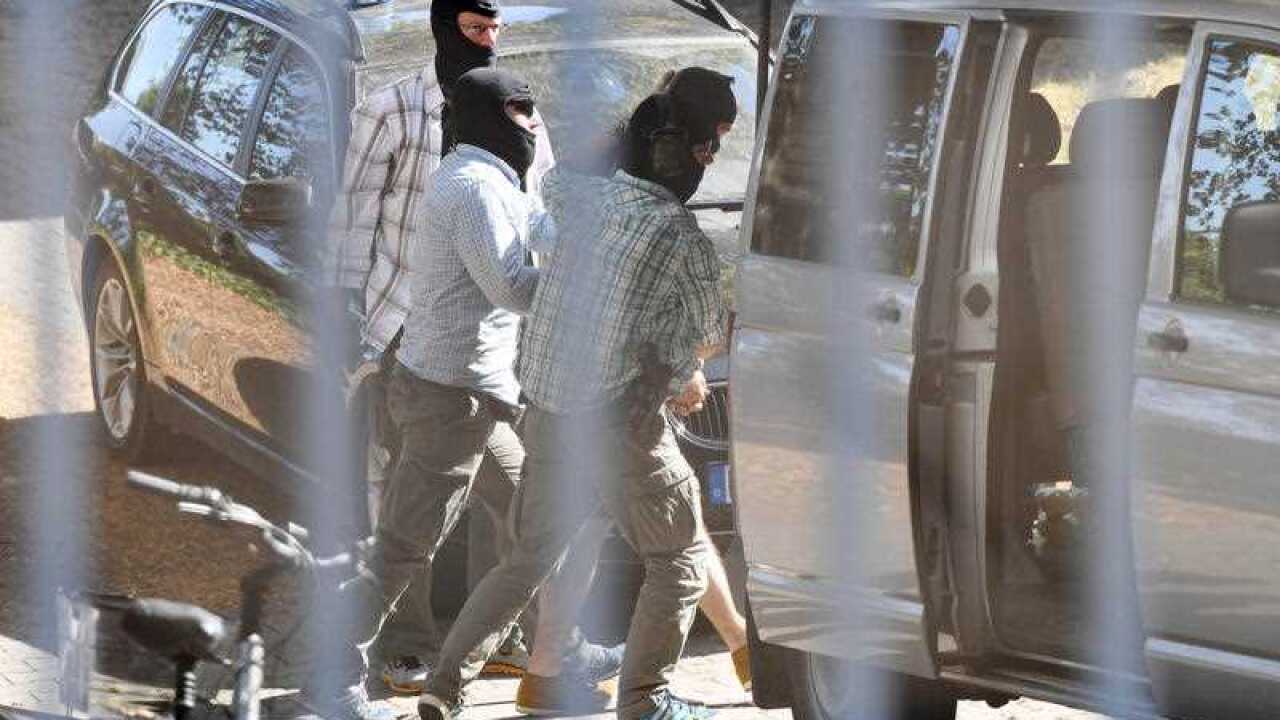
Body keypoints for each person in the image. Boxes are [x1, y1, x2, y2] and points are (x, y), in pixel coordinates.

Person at [319, 1, 616, 714]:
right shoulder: (471, 189)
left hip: (483, 394)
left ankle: (535, 654)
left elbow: (542, 218)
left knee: (541, 521)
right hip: (451, 398)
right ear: (487, 117)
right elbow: (515, 286)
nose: (532, 126)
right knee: (403, 550)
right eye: (520, 115)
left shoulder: (492, 175)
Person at [416, 70, 737, 720]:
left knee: (526, 561)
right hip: (626, 426)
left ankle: (443, 687)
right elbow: (698, 344)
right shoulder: (685, 244)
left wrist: (648, 112)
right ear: (694, 159)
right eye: (709, 148)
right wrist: (683, 377)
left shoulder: (576, 197)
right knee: (676, 559)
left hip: (551, 413)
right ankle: (646, 703)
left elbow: (568, 172)